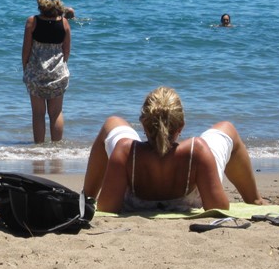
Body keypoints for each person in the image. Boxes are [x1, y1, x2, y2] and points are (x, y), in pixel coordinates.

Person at [82, 86, 267, 212]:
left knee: (112, 123)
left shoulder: (124, 151)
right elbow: (218, 207)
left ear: (144, 126)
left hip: (136, 201)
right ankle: (255, 200)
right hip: (191, 199)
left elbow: (106, 207)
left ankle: (86, 198)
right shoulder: (197, 150)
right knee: (227, 128)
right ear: (181, 127)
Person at [22, 0, 71, 143]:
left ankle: (39, 149)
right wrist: (59, 67)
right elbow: (66, 51)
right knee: (56, 113)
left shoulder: (32, 22)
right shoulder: (64, 23)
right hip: (58, 72)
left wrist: (26, 69)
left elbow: (26, 50)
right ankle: (56, 149)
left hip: (36, 72)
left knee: (38, 113)